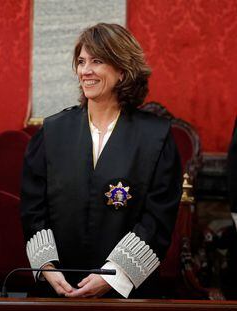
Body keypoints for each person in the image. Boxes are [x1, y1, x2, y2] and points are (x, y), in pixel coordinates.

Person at [20, 23, 182, 298]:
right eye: (81, 62)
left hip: (125, 293)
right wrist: (47, 266)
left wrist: (113, 275)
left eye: (97, 61)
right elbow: (33, 207)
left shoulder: (157, 137)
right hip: (59, 288)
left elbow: (157, 218)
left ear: (122, 70)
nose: (85, 70)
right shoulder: (52, 131)